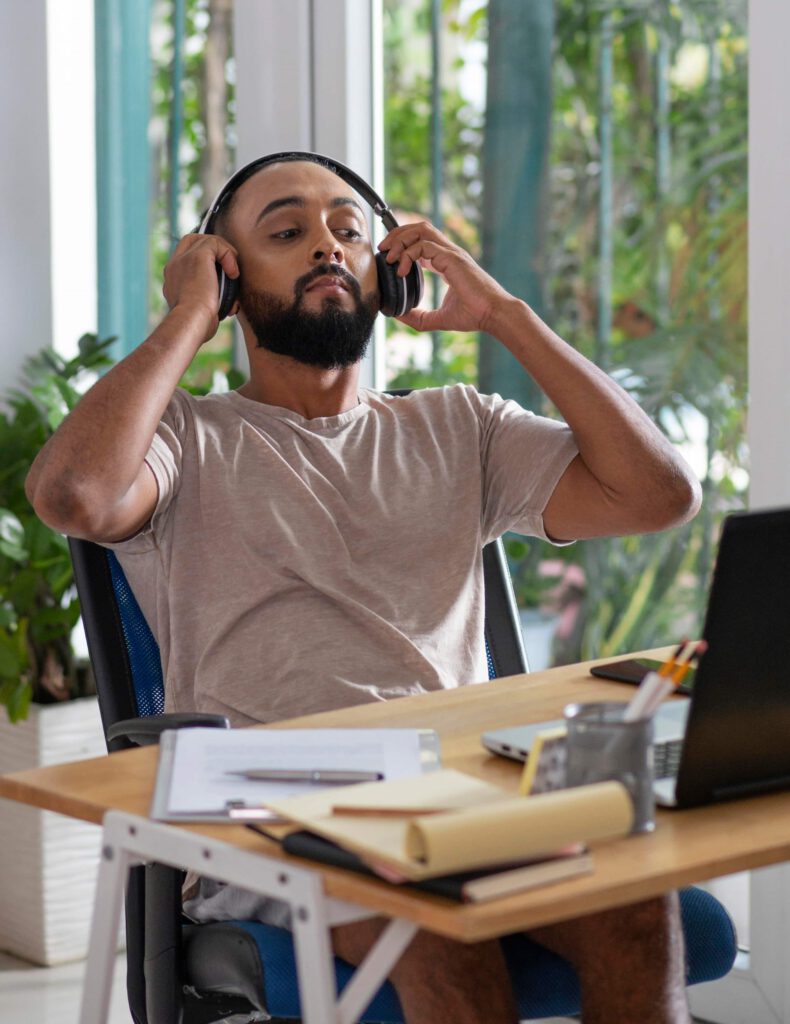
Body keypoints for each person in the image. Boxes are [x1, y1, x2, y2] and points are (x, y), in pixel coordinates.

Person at [26, 153, 701, 1023]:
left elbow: (660, 495)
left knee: (635, 902)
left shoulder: (461, 425)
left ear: (390, 271)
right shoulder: (185, 439)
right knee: (428, 922)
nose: (327, 248)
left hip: (459, 797)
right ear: (226, 277)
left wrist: (506, 318)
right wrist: (188, 316)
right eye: (286, 232)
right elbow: (72, 494)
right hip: (270, 813)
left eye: (351, 231)